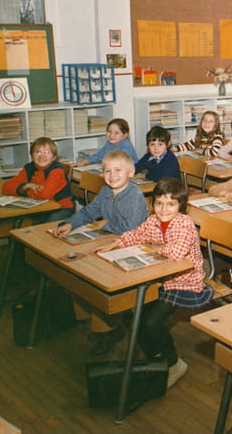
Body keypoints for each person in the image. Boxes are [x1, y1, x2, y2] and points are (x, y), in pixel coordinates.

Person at [93, 178, 212, 389]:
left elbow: (176, 253)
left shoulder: (184, 224)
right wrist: (114, 244)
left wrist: (154, 248)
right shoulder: (154, 220)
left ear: (181, 206)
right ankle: (156, 358)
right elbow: (137, 234)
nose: (164, 209)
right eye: (159, 203)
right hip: (160, 279)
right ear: (153, 203)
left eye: (171, 204)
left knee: (151, 322)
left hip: (185, 282)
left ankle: (174, 364)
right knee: (132, 316)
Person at [55, 150, 149, 356]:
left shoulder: (134, 196)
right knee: (78, 269)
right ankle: (95, 321)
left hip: (134, 247)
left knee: (98, 278)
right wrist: (70, 223)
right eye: (107, 171)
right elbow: (89, 211)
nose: (112, 176)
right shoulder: (106, 191)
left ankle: (108, 329)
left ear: (131, 172)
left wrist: (107, 224)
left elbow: (131, 228)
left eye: (118, 170)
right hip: (111, 242)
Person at [3, 137, 74, 223]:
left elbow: (44, 195)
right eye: (38, 152)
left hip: (61, 207)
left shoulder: (57, 171)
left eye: (47, 152)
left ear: (54, 157)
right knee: (18, 220)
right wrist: (26, 186)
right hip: (39, 206)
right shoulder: (29, 168)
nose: (42, 156)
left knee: (46, 227)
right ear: (32, 155)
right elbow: (6, 187)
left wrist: (24, 191)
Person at [74, 118, 138, 166]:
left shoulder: (126, 145)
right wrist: (83, 162)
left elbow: (119, 163)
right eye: (109, 132)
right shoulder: (109, 143)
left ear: (124, 135)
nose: (111, 135)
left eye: (116, 133)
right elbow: (99, 156)